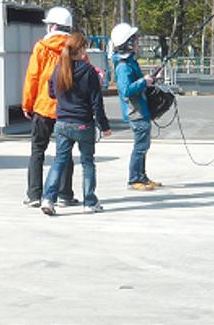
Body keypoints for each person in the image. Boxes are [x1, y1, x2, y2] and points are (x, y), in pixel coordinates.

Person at [40, 32, 111, 215]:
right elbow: (97, 102)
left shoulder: (59, 69)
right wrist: (104, 126)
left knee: (59, 161)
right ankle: (89, 201)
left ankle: (48, 199)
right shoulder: (89, 71)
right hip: (83, 123)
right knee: (87, 162)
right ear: (80, 49)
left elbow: (52, 93)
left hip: (62, 122)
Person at [21, 6, 78, 208]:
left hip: (44, 107)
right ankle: (65, 194)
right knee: (65, 152)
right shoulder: (74, 48)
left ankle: (34, 194)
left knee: (38, 150)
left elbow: (33, 77)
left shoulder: (41, 47)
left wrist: (27, 104)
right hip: (67, 109)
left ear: (52, 26)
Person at [111, 22, 160, 191]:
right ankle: (133, 179)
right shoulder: (123, 67)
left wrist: (151, 80)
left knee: (144, 146)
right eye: (135, 40)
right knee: (140, 147)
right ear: (128, 44)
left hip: (142, 110)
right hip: (136, 113)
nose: (137, 43)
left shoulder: (131, 62)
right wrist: (142, 82)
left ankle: (142, 176)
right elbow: (126, 90)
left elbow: (138, 84)